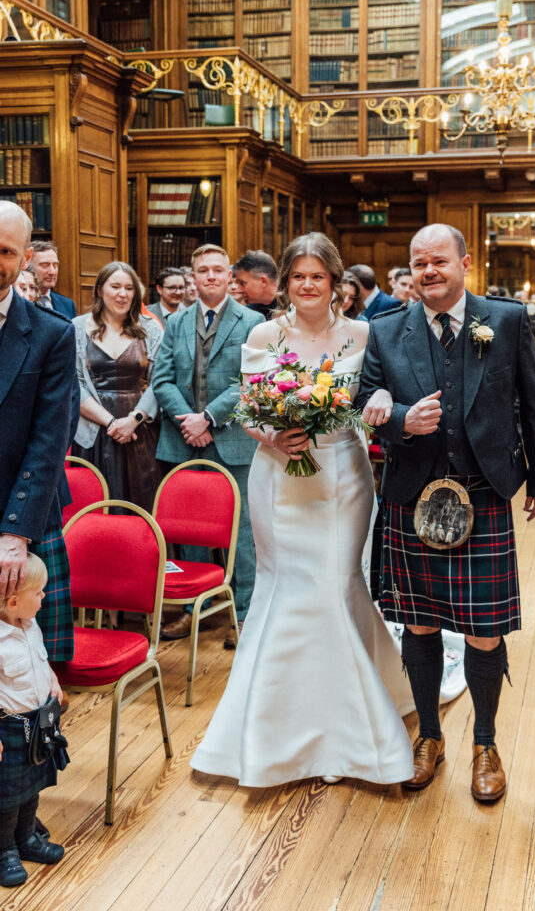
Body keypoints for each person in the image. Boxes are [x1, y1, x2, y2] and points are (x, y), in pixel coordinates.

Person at [191, 233, 414, 787]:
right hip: (280, 477)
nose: (308, 285)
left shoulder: (365, 333)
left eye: (318, 276)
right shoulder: (267, 332)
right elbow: (248, 405)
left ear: (336, 282)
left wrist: (380, 406)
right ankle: (276, 725)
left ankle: (349, 727)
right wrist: (270, 436)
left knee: (337, 586)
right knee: (285, 585)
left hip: (343, 475)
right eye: (298, 277)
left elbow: (374, 398)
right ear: (285, 283)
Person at [357, 223, 535, 797]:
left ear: (465, 263)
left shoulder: (506, 320)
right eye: (419, 264)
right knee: (417, 622)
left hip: (485, 489)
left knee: (485, 631)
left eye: (439, 261)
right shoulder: (387, 328)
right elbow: (365, 399)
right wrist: (398, 418)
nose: (428, 272)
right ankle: (430, 736)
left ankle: (485, 744)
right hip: (413, 495)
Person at [152, 244, 264, 636]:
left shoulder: (252, 321)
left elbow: (251, 380)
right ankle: (192, 608)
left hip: (234, 439)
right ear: (192, 279)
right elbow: (161, 379)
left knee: (244, 529)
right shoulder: (177, 323)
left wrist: (208, 418)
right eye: (203, 271)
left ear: (229, 276)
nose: (211, 277)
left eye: (218, 270)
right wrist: (188, 421)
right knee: (186, 528)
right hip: (183, 438)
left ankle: (244, 612)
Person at [0, 202, 76, 667]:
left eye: (5, 250)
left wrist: (14, 533)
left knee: (31, 670)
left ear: (25, 258)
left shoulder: (52, 334)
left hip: (23, 511)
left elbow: (51, 439)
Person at [70, 262, 164, 512]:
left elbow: (161, 379)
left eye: (129, 288)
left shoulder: (150, 328)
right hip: (95, 430)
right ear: (100, 290)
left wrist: (134, 419)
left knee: (144, 503)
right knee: (98, 506)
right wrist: (111, 423)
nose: (123, 293)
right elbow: (74, 383)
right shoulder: (76, 328)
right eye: (115, 286)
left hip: (141, 430)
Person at [0, 554, 68, 888]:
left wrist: (54, 686)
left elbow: (41, 663)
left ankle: (26, 838)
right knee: (7, 794)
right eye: (38, 593)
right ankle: (5, 851)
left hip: (38, 724)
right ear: (13, 600)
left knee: (31, 787)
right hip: (8, 729)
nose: (44, 597)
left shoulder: (30, 625)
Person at [31, 242, 76, 319]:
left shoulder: (68, 304)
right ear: (28, 266)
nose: (52, 272)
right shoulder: (19, 301)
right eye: (45, 266)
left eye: (55, 266)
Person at [232, 250, 278, 319]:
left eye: (242, 283)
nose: (239, 289)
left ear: (263, 281)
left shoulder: (294, 306)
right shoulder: (248, 313)